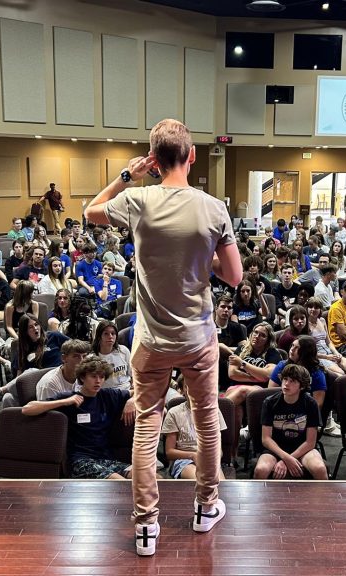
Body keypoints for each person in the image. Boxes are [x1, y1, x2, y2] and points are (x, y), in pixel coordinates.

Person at [84, 118, 242, 555]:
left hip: (151, 340)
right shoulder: (213, 208)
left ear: (154, 161)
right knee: (207, 423)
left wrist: (124, 177)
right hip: (198, 339)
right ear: (192, 156)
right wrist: (203, 260)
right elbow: (233, 274)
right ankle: (205, 508)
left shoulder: (137, 199)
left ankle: (146, 528)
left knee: (147, 427)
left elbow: (89, 211)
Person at [21, 357, 135, 477]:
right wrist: (64, 402)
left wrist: (131, 401)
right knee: (118, 481)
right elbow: (27, 409)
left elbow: (141, 390)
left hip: (105, 459)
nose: (98, 381)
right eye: (93, 376)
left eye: (101, 377)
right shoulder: (70, 398)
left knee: (147, 476)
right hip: (80, 461)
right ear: (82, 378)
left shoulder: (108, 395)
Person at [253, 363, 327, 480]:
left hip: (302, 449)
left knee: (320, 469)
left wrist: (288, 459)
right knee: (260, 470)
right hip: (275, 449)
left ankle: (321, 498)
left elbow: (310, 442)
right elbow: (266, 439)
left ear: (301, 386)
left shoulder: (311, 403)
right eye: (285, 379)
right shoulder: (270, 402)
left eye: (292, 381)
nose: (286, 384)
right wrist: (286, 459)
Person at [162, 378, 228, 480]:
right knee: (199, 480)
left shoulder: (213, 412)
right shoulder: (174, 413)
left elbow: (218, 448)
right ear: (183, 390)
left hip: (208, 459)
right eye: (188, 386)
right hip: (183, 460)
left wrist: (213, 457)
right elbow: (169, 452)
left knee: (218, 482)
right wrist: (193, 455)